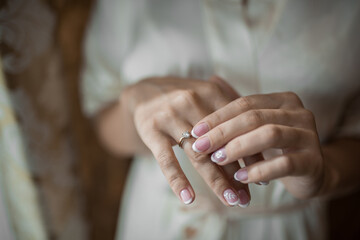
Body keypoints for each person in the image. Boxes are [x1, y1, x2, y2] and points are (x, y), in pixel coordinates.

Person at [81, 0, 360, 239]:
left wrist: (327, 173)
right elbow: (101, 114)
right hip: (157, 221)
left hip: (289, 227)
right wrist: (133, 104)